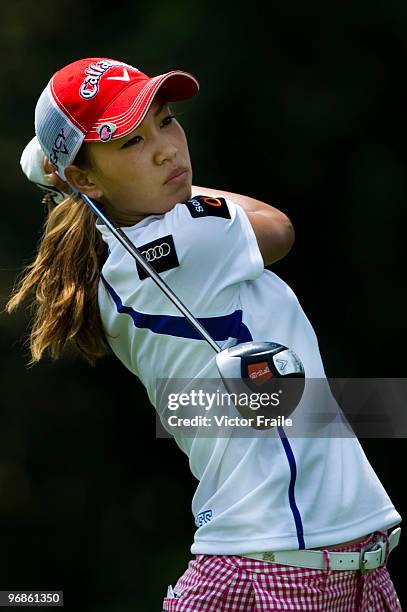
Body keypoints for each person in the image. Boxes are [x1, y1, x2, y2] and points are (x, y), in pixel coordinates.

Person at [7, 57, 402, 611]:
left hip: (317, 556)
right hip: (275, 570)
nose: (167, 148)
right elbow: (278, 227)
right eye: (131, 142)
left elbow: (135, 198)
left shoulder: (117, 255)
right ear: (82, 177)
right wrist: (139, 186)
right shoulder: (191, 240)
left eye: (166, 121)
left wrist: (89, 183)